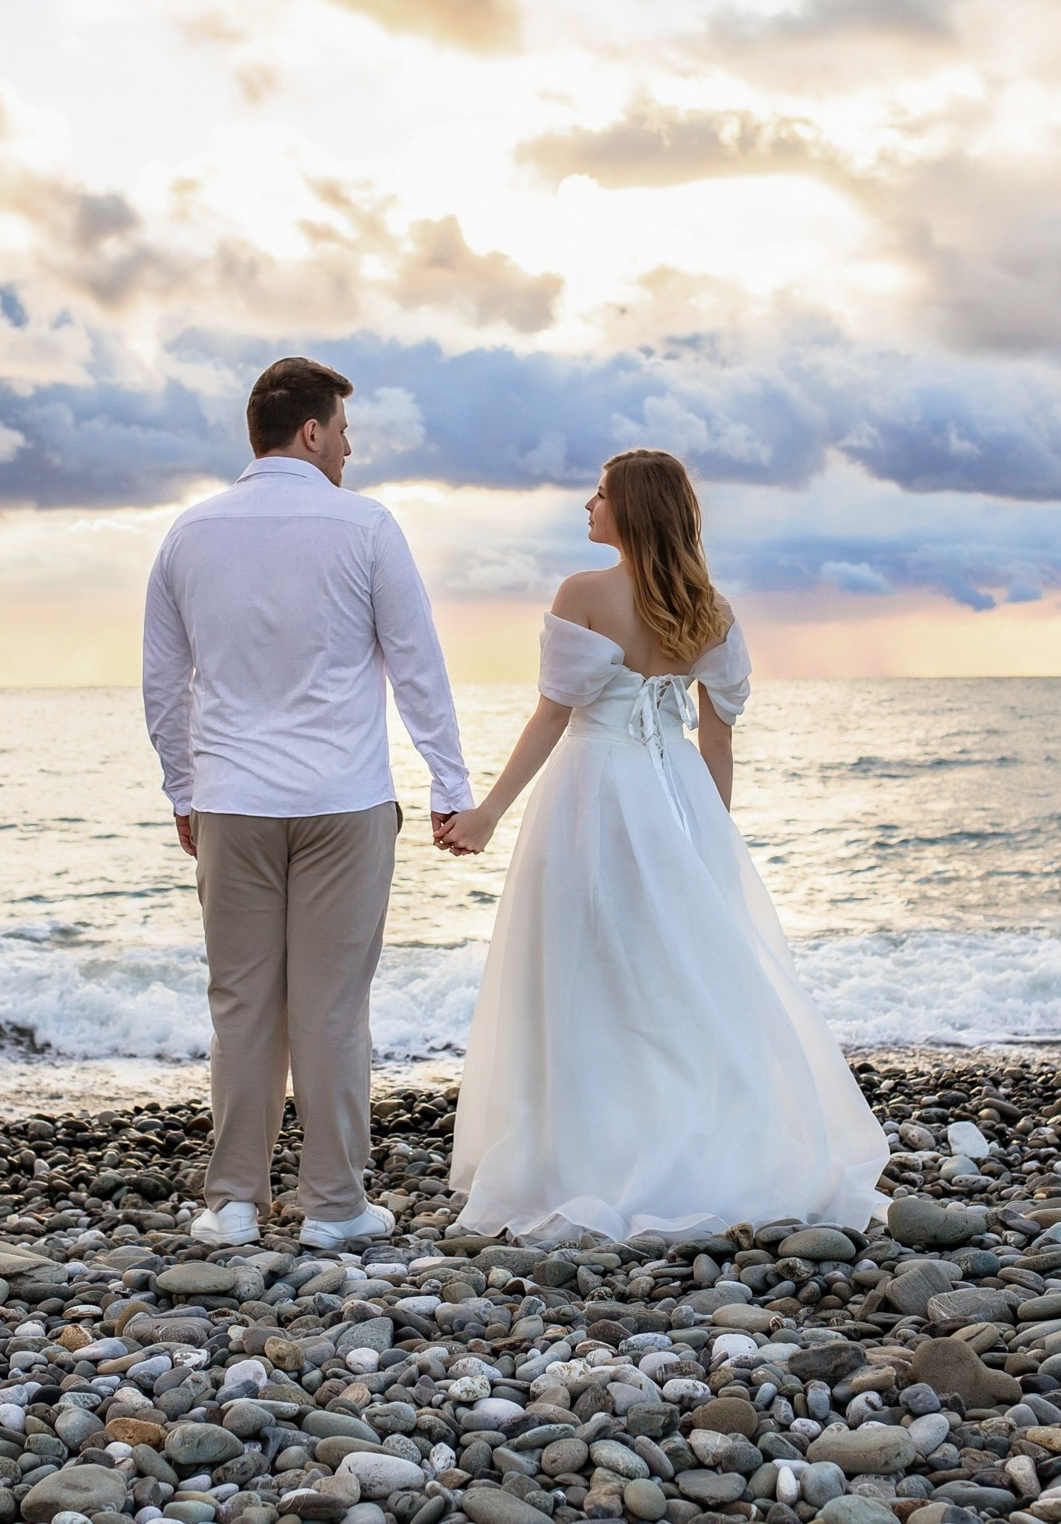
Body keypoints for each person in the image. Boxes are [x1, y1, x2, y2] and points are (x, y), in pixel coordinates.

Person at [436, 448, 887, 1241]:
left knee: (584, 963)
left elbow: (551, 717)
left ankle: (587, 1146)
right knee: (672, 968)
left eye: (601, 494)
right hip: (675, 792)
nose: (587, 505)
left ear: (632, 509)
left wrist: (488, 813)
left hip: (592, 791)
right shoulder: (709, 605)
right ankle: (684, 1129)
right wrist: (711, 841)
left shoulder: (583, 593)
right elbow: (717, 738)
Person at [142, 356, 473, 1250]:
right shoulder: (365, 525)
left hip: (233, 801)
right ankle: (332, 1204)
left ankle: (236, 1201)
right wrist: (450, 784)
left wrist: (183, 789)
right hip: (344, 799)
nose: (350, 448)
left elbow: (163, 683)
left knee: (242, 1000)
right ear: (313, 430)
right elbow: (416, 664)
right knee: (331, 1003)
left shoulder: (188, 533)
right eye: (344, 431)